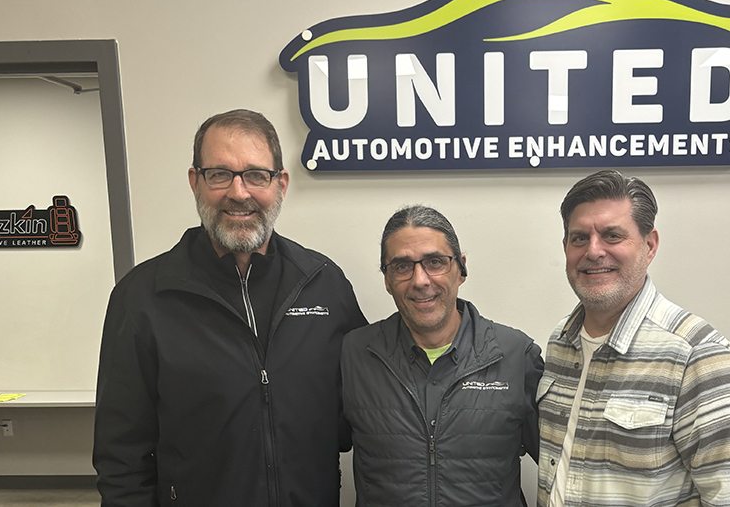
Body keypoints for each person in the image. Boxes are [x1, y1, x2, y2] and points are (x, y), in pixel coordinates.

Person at [93, 109, 367, 507]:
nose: (239, 193)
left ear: (281, 184)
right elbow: (121, 456)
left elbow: (363, 406)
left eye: (256, 175)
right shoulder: (143, 297)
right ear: (195, 181)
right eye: (220, 174)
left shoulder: (324, 284)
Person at [538, 170, 730, 507]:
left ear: (650, 245)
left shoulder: (700, 356)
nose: (594, 251)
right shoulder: (560, 342)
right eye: (579, 238)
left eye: (612, 236)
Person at [340, 205, 544, 507]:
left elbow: (565, 469)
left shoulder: (516, 355)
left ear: (460, 269)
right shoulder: (355, 354)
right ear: (386, 279)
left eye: (435, 262)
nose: (420, 280)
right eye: (402, 266)